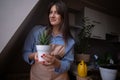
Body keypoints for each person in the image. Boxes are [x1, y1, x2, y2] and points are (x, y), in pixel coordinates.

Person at [23, 0, 75, 80]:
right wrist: (34, 55)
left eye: (57, 12)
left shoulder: (70, 41)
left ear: (63, 16)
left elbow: (68, 64)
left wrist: (56, 62)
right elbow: (25, 53)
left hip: (60, 77)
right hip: (37, 77)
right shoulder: (36, 31)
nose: (52, 16)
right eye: (51, 12)